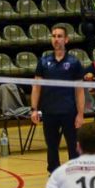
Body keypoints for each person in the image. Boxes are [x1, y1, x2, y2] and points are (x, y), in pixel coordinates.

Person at [31, 25, 85, 174]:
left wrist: (80, 114)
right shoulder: (43, 61)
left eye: (59, 36)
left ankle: (75, 173)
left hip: (69, 111)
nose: (56, 39)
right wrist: (34, 109)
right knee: (52, 146)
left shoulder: (74, 62)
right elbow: (36, 87)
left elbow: (79, 90)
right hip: (49, 111)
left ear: (66, 40)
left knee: (73, 145)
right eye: (54, 36)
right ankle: (53, 173)